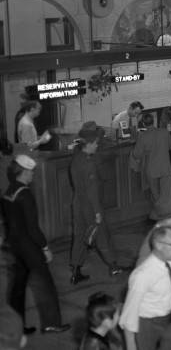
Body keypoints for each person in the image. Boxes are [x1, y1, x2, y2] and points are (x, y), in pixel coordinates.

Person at [2, 155, 70, 335]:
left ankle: (17, 326)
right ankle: (51, 323)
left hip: (14, 245)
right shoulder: (25, 195)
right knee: (46, 285)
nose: (33, 174)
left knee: (18, 287)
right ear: (24, 172)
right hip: (29, 247)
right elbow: (33, 228)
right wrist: (45, 248)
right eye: (31, 171)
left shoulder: (9, 191)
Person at [70, 121, 123, 284]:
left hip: (77, 204)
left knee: (80, 237)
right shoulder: (89, 163)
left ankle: (75, 271)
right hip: (90, 207)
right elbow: (92, 191)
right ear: (90, 144)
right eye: (96, 144)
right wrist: (98, 212)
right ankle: (113, 266)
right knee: (102, 236)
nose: (97, 146)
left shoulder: (76, 159)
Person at [120, 226, 171, 350]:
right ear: (159, 245)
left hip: (170, 318)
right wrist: (131, 346)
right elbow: (130, 313)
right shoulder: (142, 275)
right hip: (149, 325)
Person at [131, 113, 171, 205]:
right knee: (167, 197)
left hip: (152, 171)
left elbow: (136, 154)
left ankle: (161, 216)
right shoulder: (164, 132)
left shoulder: (142, 136)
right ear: (153, 121)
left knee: (157, 197)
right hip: (165, 169)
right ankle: (169, 216)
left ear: (143, 124)